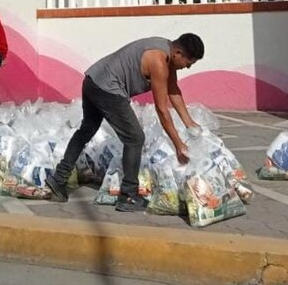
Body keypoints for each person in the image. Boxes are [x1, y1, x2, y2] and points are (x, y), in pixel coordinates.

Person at [45, 33, 204, 212]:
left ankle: (58, 180)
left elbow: (173, 90)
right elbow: (162, 109)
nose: (188, 67)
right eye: (189, 62)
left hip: (92, 80)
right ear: (178, 52)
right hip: (108, 89)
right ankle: (128, 195)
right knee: (135, 138)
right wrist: (178, 145)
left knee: (87, 129)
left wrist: (190, 123)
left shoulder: (166, 50)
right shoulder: (159, 62)